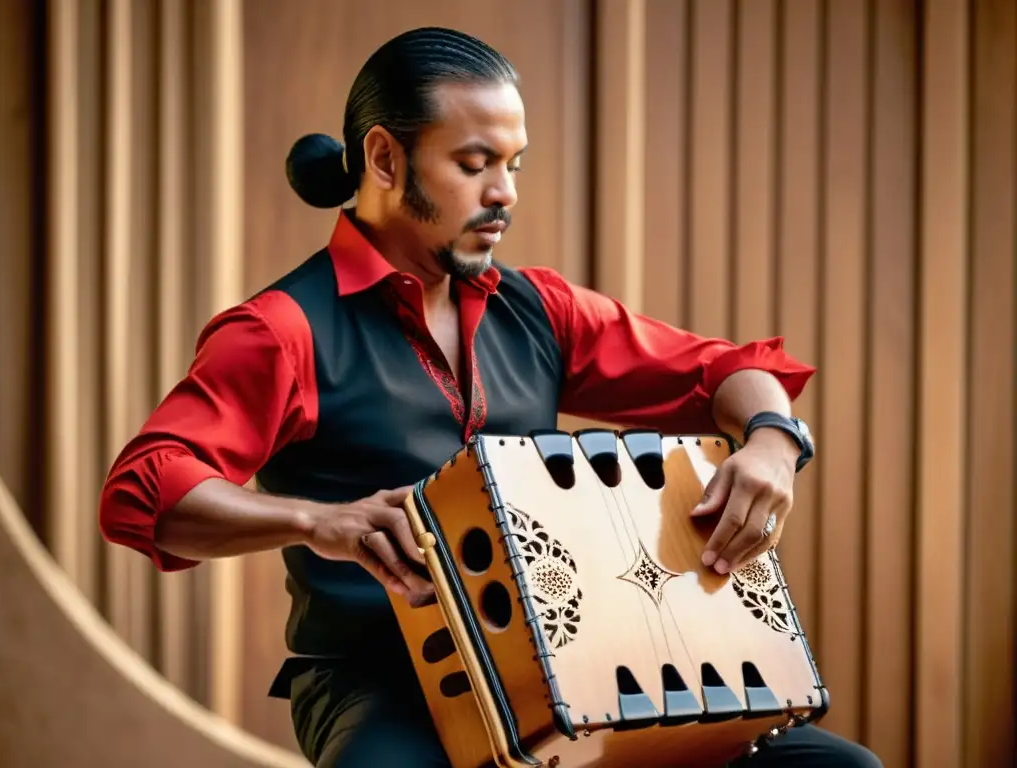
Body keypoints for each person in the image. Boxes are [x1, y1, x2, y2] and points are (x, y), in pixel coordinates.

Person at [99, 26, 880, 768]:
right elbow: (146, 490)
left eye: (514, 164)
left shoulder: (540, 308)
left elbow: (726, 372)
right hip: (380, 682)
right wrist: (319, 521)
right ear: (383, 159)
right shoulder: (281, 330)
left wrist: (776, 440)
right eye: (475, 164)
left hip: (567, 671)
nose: (504, 192)